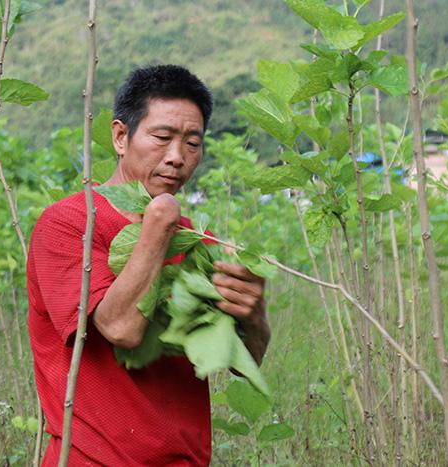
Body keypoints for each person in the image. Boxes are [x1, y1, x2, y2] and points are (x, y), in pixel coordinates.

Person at [26, 64, 270, 466]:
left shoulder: (193, 239)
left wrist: (254, 316)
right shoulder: (69, 224)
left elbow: (245, 364)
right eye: (162, 138)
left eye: (193, 143)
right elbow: (120, 327)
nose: (177, 158)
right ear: (121, 137)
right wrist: (160, 220)